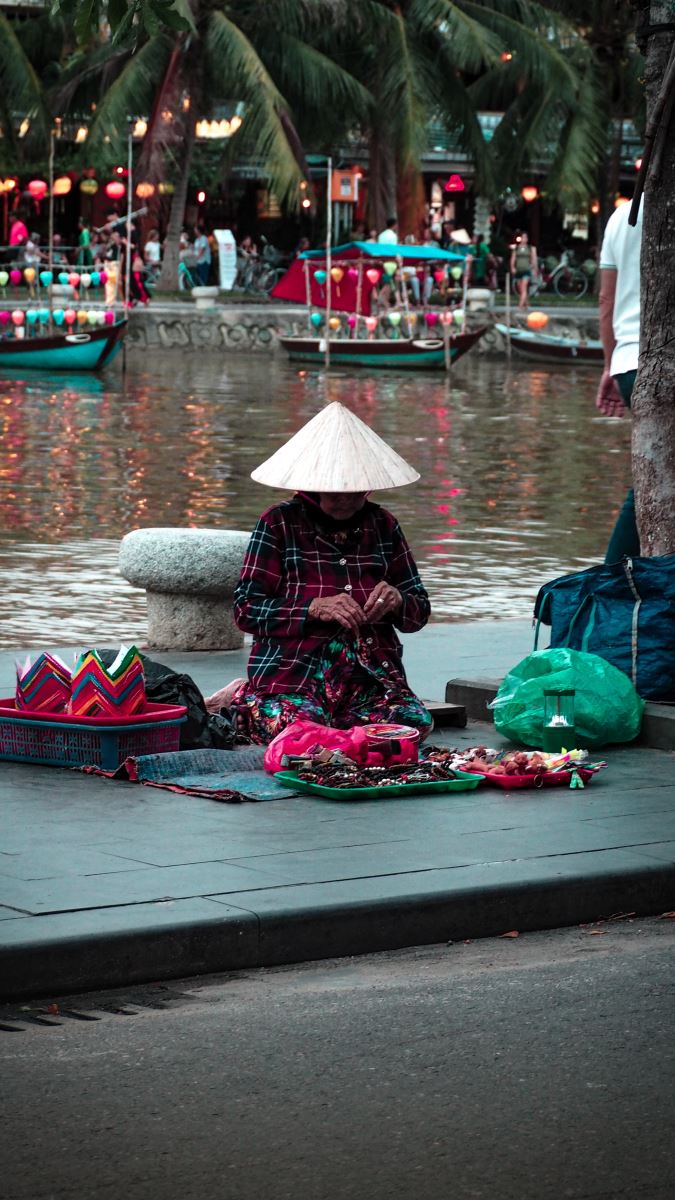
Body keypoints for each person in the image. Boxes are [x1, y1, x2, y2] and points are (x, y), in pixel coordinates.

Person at [205, 402, 433, 744]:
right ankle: (243, 698)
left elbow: (419, 612)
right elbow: (246, 610)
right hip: (296, 673)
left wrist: (398, 600)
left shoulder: (384, 525)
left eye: (356, 492)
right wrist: (312, 608)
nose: (346, 500)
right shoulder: (278, 523)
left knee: (412, 724)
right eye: (335, 493)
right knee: (298, 732)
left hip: (369, 677)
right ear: (312, 487)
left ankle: (332, 725)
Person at [596, 199, 643, 562]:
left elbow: (606, 300)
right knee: (650, 479)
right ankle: (612, 577)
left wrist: (610, 365)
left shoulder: (621, 216)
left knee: (651, 475)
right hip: (655, 359)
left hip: (628, 363)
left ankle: (615, 576)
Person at [509, 231, 538, 309]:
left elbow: (533, 259)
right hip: (518, 270)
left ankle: (520, 305)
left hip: (526, 270)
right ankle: (527, 304)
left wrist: (535, 268)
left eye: (525, 237)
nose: (524, 239)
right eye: (523, 237)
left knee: (524, 287)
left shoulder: (530, 248)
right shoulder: (516, 248)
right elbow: (513, 258)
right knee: (520, 289)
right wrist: (512, 267)